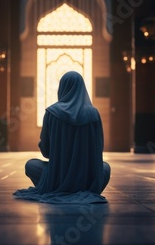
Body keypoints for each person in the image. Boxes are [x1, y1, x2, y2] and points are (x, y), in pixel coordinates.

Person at [13, 71, 111, 204]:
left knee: (31, 165)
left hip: (57, 177)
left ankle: (55, 188)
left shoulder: (52, 113)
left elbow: (46, 152)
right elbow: (99, 150)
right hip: (86, 179)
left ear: (62, 88)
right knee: (105, 168)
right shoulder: (93, 114)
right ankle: (87, 190)